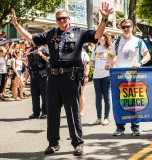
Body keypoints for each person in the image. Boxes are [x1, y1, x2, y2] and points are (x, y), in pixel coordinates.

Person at [11, 2, 112, 156]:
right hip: (53, 77)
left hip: (71, 77)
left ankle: (78, 143)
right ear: (56, 20)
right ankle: (53, 143)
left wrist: (104, 19)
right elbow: (31, 38)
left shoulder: (79, 32)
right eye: (59, 19)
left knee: (73, 112)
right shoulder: (50, 34)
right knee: (52, 111)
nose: (62, 21)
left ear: (69, 19)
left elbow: (97, 35)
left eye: (64, 18)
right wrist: (17, 25)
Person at [108, 19, 151, 136]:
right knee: (119, 101)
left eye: (128, 26)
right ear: (121, 28)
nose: (126, 29)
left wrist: (140, 63)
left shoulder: (138, 41)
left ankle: (135, 127)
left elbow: (147, 55)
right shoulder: (117, 42)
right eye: (124, 27)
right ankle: (120, 127)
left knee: (135, 102)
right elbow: (111, 55)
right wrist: (109, 63)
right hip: (119, 76)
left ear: (133, 27)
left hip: (134, 76)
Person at [90, 32, 112, 125]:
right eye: (98, 38)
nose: (100, 39)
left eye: (101, 37)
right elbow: (92, 62)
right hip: (96, 76)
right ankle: (99, 118)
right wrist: (89, 64)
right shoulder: (96, 48)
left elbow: (114, 61)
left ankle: (106, 117)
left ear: (105, 38)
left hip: (106, 75)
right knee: (98, 98)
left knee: (107, 97)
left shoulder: (110, 49)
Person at [26, 45, 49, 119]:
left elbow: (49, 60)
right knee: (34, 95)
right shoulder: (31, 50)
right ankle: (36, 112)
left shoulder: (45, 50)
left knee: (44, 94)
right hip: (33, 75)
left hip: (42, 75)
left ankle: (45, 112)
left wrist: (41, 54)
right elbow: (29, 62)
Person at [79, 48, 90, 117]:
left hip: (81, 75)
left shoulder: (83, 54)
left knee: (81, 93)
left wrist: (86, 76)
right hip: (72, 76)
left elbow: (87, 65)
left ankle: (81, 111)